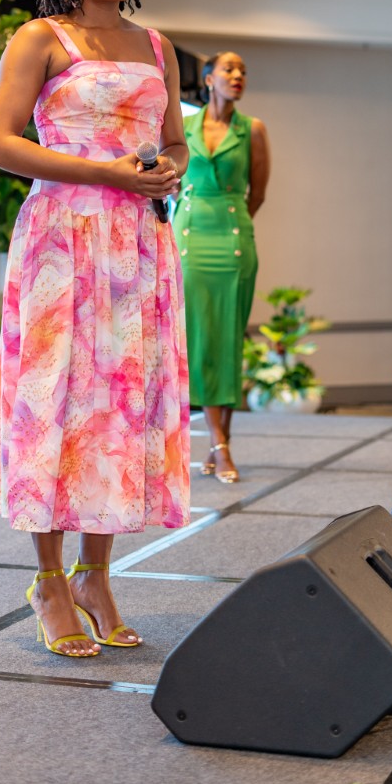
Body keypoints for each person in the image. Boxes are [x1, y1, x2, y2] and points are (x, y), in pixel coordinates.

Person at [0, 0, 191, 658]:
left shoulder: (157, 46)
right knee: (57, 399)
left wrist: (167, 168)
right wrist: (106, 172)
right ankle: (48, 581)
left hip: (138, 240)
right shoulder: (40, 38)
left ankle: (95, 577)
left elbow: (175, 141)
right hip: (61, 239)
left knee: (121, 402)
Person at [172, 52, 270, 482]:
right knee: (201, 339)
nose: (238, 76)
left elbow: (257, 193)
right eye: (229, 69)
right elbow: (170, 179)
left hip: (232, 240)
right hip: (190, 239)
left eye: (243, 71)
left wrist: (234, 221)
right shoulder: (182, 125)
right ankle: (219, 443)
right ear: (209, 79)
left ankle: (219, 442)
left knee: (227, 340)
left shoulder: (253, 130)